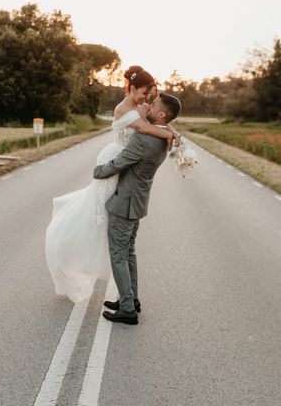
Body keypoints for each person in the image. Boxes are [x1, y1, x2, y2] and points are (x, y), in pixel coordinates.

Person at [45, 66, 181, 303]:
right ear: (132, 87)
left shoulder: (143, 109)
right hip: (115, 162)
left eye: (149, 94)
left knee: (120, 242)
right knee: (99, 219)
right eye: (144, 92)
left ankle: (127, 301)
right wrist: (170, 135)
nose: (146, 98)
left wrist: (171, 130)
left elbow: (160, 121)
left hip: (125, 170)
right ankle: (127, 298)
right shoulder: (123, 109)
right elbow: (144, 127)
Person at [94, 92, 182, 325]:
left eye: (153, 105)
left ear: (161, 114)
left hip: (125, 202)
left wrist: (98, 171)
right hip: (138, 200)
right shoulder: (164, 137)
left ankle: (127, 309)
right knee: (129, 252)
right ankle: (131, 300)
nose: (148, 106)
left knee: (118, 255)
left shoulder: (146, 140)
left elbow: (120, 163)